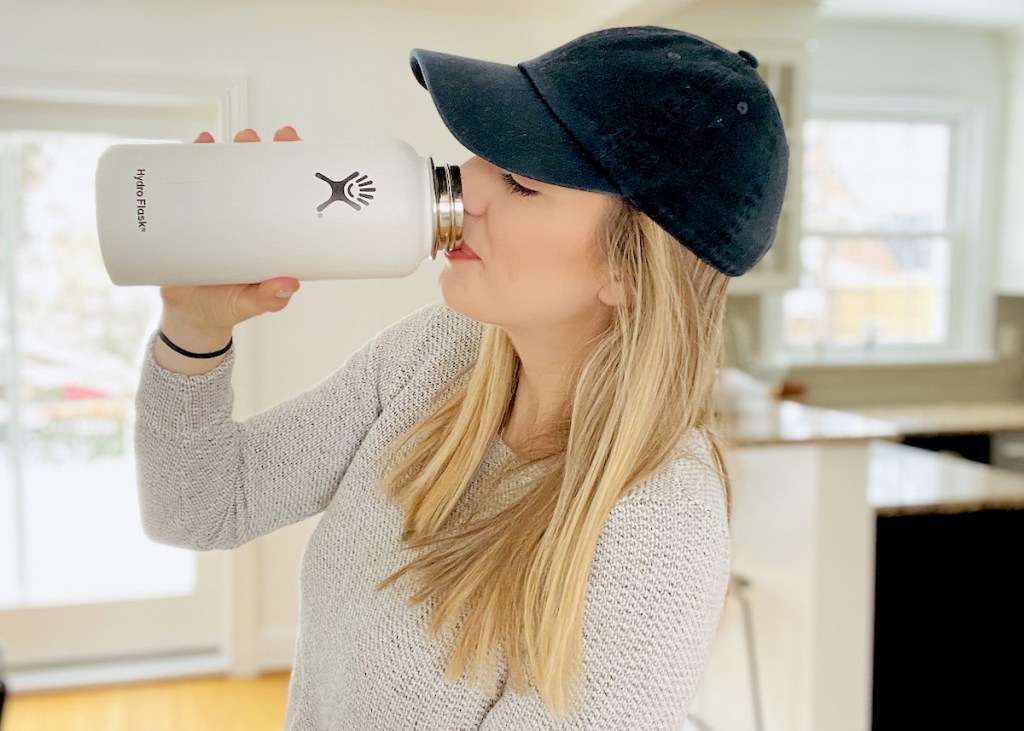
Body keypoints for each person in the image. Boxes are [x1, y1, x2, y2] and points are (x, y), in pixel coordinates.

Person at [138, 25, 788, 730]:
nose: (467, 181)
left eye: (521, 180)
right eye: (488, 153)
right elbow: (202, 503)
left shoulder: (658, 526)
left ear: (628, 269)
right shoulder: (441, 354)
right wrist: (196, 327)